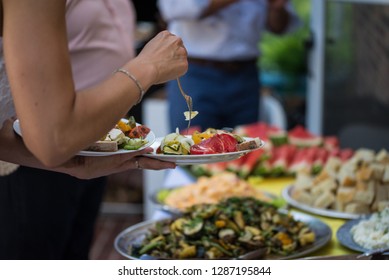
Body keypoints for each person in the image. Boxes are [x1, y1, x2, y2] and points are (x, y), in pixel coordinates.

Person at [0, 0, 187, 259]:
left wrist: (74, 164)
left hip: (79, 144)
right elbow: (54, 139)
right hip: (46, 150)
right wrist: (148, 67)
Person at [157, 0, 300, 132]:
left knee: (246, 149)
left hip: (245, 74)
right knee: (190, 149)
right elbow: (174, 9)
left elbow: (282, 26)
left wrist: (276, 8)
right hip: (195, 73)